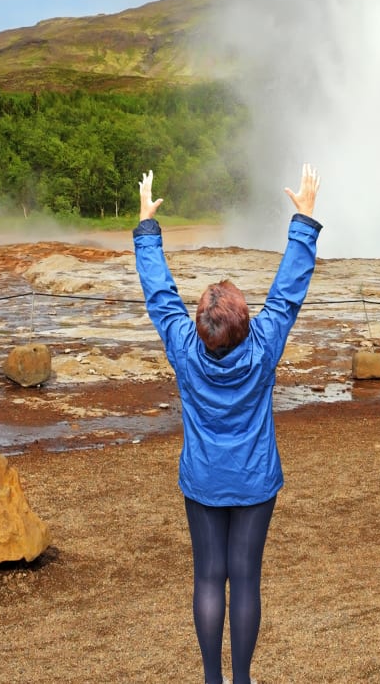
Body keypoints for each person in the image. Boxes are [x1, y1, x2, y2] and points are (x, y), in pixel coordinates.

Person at [133, 165, 321, 684]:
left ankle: (213, 682)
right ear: (243, 321)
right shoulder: (262, 345)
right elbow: (287, 294)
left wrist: (148, 228)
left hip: (203, 478)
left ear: (203, 325)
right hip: (255, 480)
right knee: (246, 579)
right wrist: (304, 219)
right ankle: (241, 682)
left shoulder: (183, 345)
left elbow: (159, 295)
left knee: (209, 578)